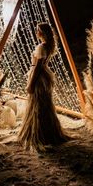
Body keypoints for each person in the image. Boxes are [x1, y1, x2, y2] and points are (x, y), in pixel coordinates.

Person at [18, 22, 69, 151]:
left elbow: (38, 68)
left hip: (39, 77)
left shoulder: (42, 47)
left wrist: (31, 84)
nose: (36, 32)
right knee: (44, 105)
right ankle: (48, 133)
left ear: (42, 33)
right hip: (44, 76)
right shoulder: (48, 45)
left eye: (38, 30)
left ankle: (38, 134)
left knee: (37, 106)